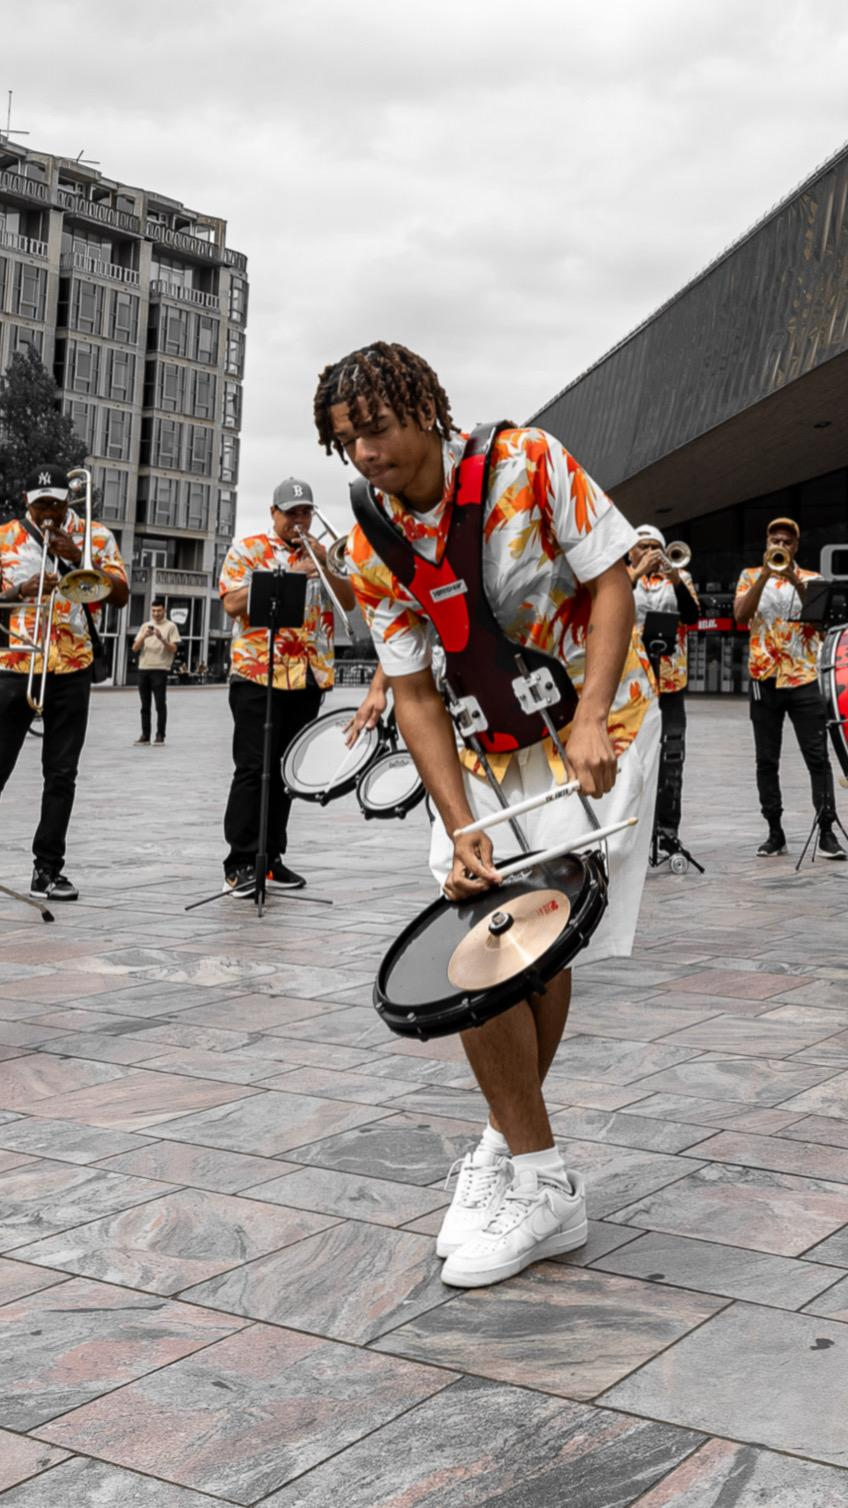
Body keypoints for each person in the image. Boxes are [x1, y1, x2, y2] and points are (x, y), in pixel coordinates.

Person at [314, 341, 659, 1289]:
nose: (369, 455)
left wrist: (590, 718)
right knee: (485, 934)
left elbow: (612, 580)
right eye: (349, 442)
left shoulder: (528, 464)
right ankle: (529, 1165)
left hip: (599, 723)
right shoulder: (370, 537)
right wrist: (459, 821)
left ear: (426, 409)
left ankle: (523, 1168)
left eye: (378, 429)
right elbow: (415, 692)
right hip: (480, 745)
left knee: (536, 940)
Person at [218, 476, 356, 896]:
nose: (300, 520)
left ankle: (272, 856)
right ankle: (240, 861)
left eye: (306, 512)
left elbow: (349, 602)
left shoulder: (323, 553)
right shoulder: (249, 549)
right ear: (273, 513)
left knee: (286, 770)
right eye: (291, 512)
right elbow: (232, 603)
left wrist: (329, 565)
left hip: (309, 675)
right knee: (253, 768)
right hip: (259, 673)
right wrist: (289, 574)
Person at [0, 463, 129, 900]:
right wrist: (21, 591)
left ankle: (47, 868)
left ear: (68, 501)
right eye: (40, 507)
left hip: (72, 664)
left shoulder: (96, 536)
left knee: (61, 772)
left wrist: (78, 557)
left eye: (55, 504)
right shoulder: (4, 539)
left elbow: (121, 593)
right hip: (16, 663)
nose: (48, 514)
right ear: (26, 502)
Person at [734, 517, 845, 859]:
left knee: (818, 758)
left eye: (786, 541)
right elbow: (740, 615)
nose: (779, 545)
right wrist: (767, 575)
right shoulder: (751, 576)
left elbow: (818, 622)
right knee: (766, 760)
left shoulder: (812, 579)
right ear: (766, 543)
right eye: (774, 540)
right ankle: (774, 831)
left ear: (796, 546)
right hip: (764, 679)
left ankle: (826, 830)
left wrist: (794, 579)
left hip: (804, 678)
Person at [628, 525, 700, 849]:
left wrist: (673, 577)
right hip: (632, 682)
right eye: (643, 546)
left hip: (670, 681)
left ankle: (668, 832)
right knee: (634, 758)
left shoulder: (680, 578)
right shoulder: (622, 577)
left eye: (655, 546)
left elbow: (692, 616)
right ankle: (633, 831)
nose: (650, 552)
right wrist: (637, 571)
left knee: (672, 757)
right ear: (631, 550)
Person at [132, 598, 180, 745]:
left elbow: (174, 649)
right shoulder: (145, 626)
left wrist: (161, 639)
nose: (156, 613)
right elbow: (134, 648)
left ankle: (160, 735)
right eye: (153, 611)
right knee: (144, 705)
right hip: (143, 669)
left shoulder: (171, 626)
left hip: (160, 669)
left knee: (160, 704)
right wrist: (144, 636)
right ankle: (145, 735)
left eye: (159, 610)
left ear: (164, 610)